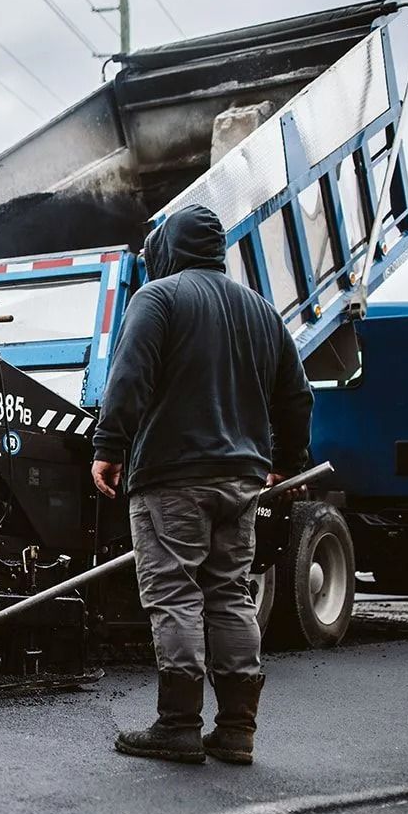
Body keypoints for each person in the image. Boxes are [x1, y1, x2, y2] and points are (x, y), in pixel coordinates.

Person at [92, 204, 312, 766]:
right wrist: (286, 461)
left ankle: (178, 725)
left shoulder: (159, 298)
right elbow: (297, 395)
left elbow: (129, 376)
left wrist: (109, 447)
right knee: (229, 593)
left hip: (172, 476)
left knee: (175, 594)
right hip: (241, 479)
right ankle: (237, 729)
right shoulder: (263, 311)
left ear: (169, 247)